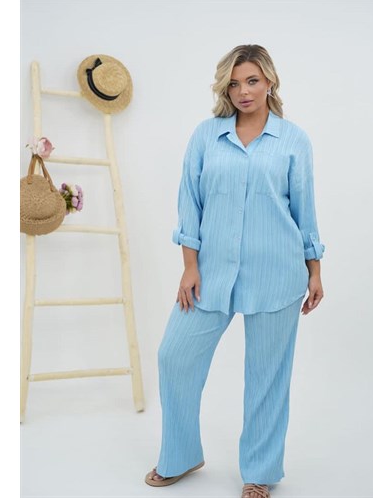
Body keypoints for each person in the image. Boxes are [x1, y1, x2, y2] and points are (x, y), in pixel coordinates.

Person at [144, 44, 325, 498]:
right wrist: (190, 265)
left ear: (270, 82)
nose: (243, 91)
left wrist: (315, 270)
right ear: (224, 88)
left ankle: (259, 472)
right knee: (174, 356)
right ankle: (181, 454)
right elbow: (190, 202)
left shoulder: (294, 141)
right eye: (234, 83)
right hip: (211, 274)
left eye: (252, 81)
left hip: (277, 273)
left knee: (267, 377)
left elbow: (304, 210)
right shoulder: (207, 136)